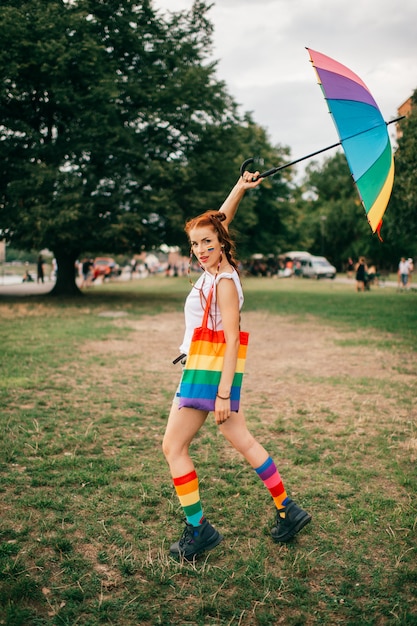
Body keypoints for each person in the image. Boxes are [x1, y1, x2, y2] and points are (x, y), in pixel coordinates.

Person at [162, 170, 311, 560]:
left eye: (206, 243)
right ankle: (287, 509)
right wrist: (240, 188)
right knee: (240, 439)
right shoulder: (211, 269)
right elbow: (219, 220)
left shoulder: (224, 281)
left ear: (221, 242)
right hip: (203, 367)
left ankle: (199, 531)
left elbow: (232, 339)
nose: (199, 249)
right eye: (194, 244)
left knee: (173, 446)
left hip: (210, 374)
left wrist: (224, 393)